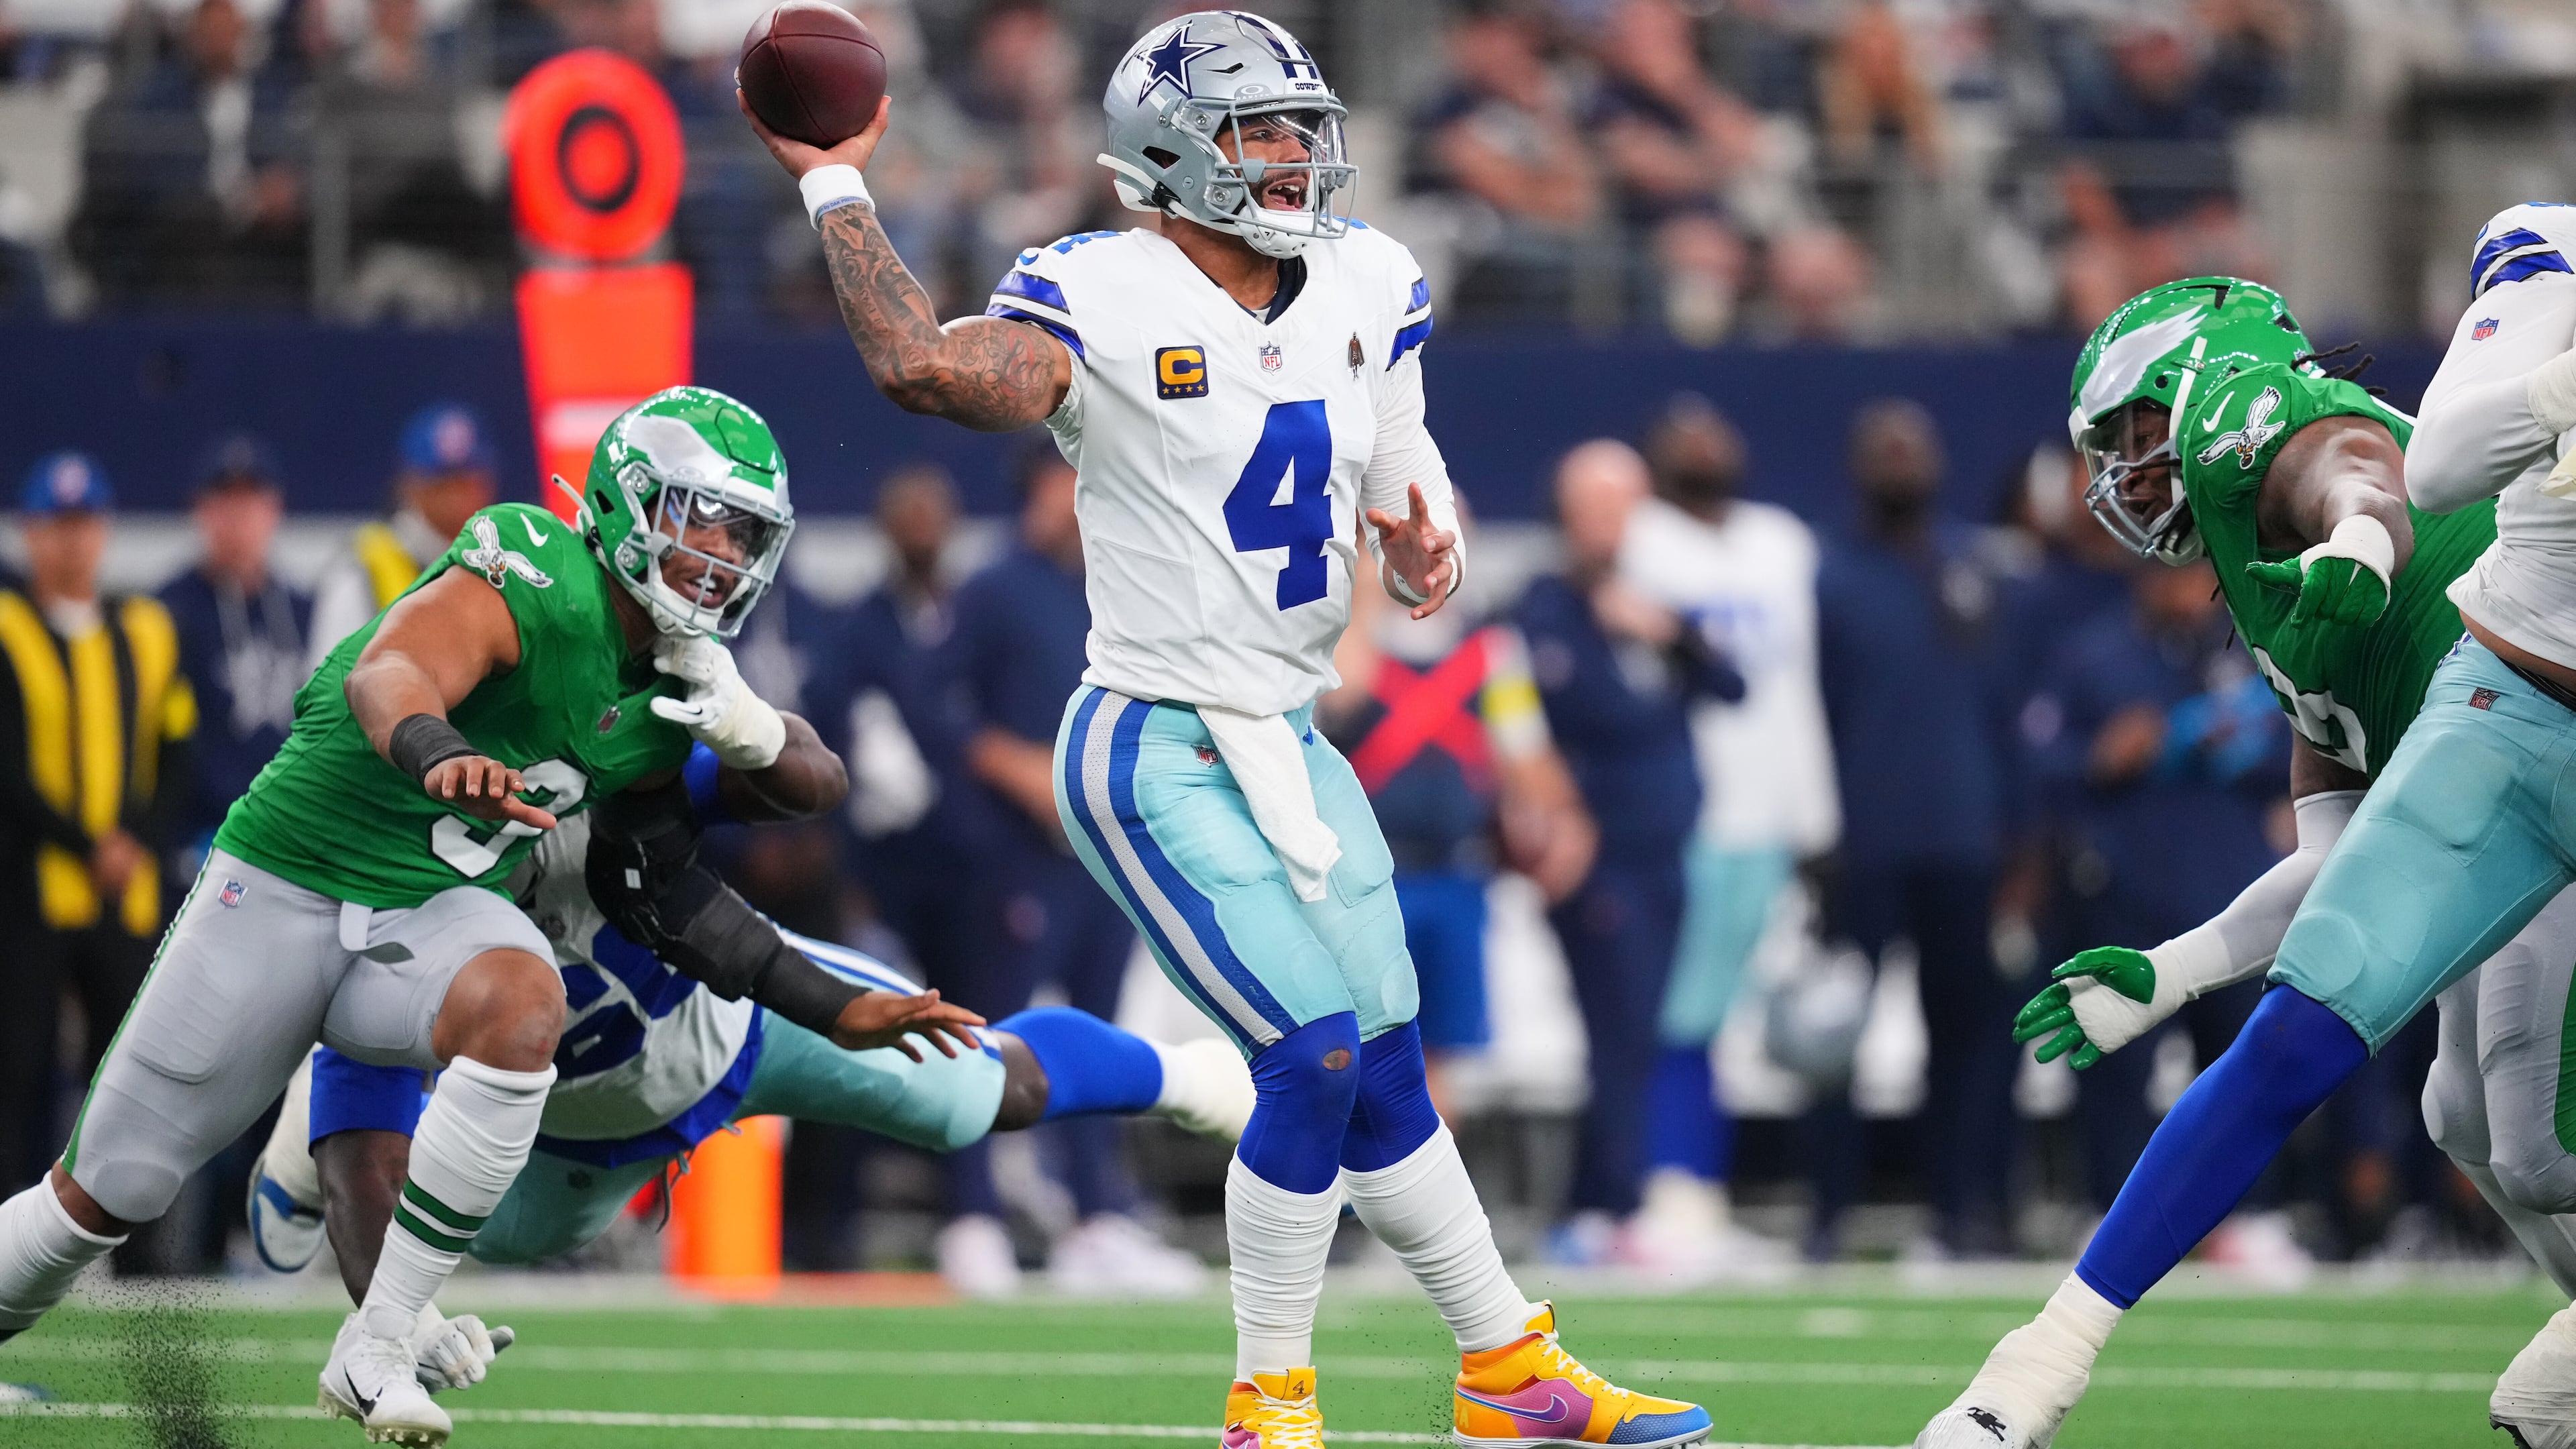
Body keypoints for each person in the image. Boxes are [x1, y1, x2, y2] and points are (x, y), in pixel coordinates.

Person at [743, 12, 1714, 1446]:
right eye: (1258, 130)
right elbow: (926, 371)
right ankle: (1269, 1401)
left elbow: (1400, 449)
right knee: (1313, 1054)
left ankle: (1511, 1373)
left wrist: (1421, 530)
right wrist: (836, 182)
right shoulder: (1098, 288)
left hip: (1291, 738)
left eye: (1296, 127)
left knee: (1386, 1061)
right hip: (1146, 742)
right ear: (1168, 149)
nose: (1292, 157)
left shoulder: (1368, 276)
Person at [0, 388, 857, 1449]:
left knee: (521, 1005)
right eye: (707, 521)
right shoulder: (534, 565)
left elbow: (808, 785)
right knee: (104, 1193)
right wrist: (437, 750)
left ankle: (377, 1344)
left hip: (428, 912)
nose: (724, 555)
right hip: (285, 883)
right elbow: (389, 671)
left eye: (746, 535)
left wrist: (750, 729)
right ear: (633, 505)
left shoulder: (678, 689)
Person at [1917, 266, 2576, 1448]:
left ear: (2180, 382)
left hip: (2531, 718)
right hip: (2496, 763)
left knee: (2520, 1133)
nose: (2118, 471)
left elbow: (2350, 470)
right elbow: (2343, 860)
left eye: (2125, 431)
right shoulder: (2274, 621)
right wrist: (2174, 972)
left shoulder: (2237, 406)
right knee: (2471, 1122)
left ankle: (2037, 1368)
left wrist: (2362, 543)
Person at [245, 755, 1254, 1349]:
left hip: (739, 1025)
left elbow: (809, 779)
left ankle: (1196, 1079)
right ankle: (306, 1136)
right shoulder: (387, 909)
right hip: (565, 1130)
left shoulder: (600, 770)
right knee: (495, 1238)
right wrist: (389, 1335)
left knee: (976, 1093)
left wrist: (742, 725)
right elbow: (374, 1210)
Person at [934, 445, 1205, 1297]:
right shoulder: (992, 589)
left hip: (1105, 847)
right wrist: (1022, 770)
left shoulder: (1116, 591)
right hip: (1015, 850)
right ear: (1044, 489)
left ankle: (1095, 1216)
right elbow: (936, 706)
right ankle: (971, 1217)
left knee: (1096, 1031)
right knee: (985, 1025)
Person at [1618, 395, 1836, 1269]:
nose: (1707, 440)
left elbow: (1803, 684)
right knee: (1673, 1011)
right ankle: (1667, 1194)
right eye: (1685, 433)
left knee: (1726, 1018)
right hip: (1684, 811)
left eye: (1719, 428)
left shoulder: (1781, 541)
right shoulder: (1641, 542)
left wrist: (1818, 819)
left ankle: (1691, 1193)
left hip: (1771, 814)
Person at [1517, 440, 1743, 1265]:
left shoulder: (1657, 605)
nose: (1610, 524)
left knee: (1640, 1029)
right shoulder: (1545, 608)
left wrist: (1668, 633)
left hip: (1667, 849)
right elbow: (1526, 720)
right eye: (1596, 506)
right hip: (1598, 854)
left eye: (1624, 504)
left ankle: (1603, 1202)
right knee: (1616, 1029)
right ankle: (1610, 1205)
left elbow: (1732, 686)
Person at [1811, 398, 2022, 1260]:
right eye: (1884, 450)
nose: (1901, 462)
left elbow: (2011, 715)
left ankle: (1964, 1210)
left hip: (1969, 841)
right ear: (1859, 466)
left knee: (1968, 1041)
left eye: (1913, 448)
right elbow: (1809, 709)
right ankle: (1829, 1215)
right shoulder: (1827, 574)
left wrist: (2021, 840)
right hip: (1860, 843)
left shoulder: (1976, 568)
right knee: (1832, 1039)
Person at [2021, 559, 2286, 1227]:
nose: (2196, 592)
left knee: (2240, 1065)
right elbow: (2037, 757)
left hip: (2232, 895)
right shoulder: (2095, 654)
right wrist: (2100, 756)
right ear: (2148, 575)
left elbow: (2310, 744)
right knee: (2117, 1063)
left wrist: (2251, 750)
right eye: (2182, 575)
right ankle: (2112, 1211)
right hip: (2129, 891)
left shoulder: (2253, 647)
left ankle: (2243, 1218)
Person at [1318, 527, 1593, 1113]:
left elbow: (1524, 750)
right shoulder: (1350, 633)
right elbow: (1341, 698)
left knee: (1438, 1051)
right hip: (1364, 880)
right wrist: (1365, 594)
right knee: (1351, 1044)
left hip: (1454, 875)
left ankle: (1419, 1198)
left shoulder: (1491, 653)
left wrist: (1564, 822)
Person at [0, 455, 197, 1203]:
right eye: (56, 526)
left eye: (84, 525)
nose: (72, 543)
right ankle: (9, 1240)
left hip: (128, 891)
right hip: (32, 889)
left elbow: (177, 748)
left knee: (133, 1078)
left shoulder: (146, 630)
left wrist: (135, 843)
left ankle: (141, 1257)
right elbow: (9, 770)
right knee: (19, 1065)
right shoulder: (8, 626)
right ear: (31, 533)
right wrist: (89, 847)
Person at [160, 433, 309, 870]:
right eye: (225, 499)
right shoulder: (167, 613)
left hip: (295, 837)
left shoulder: (305, 611)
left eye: (252, 498)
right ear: (201, 509)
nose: (240, 515)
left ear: (275, 507)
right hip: (201, 842)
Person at [308, 402, 500, 667]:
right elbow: (325, 686)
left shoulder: (502, 561)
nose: (460, 495)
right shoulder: (364, 567)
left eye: (468, 479)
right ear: (410, 484)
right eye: (445, 482)